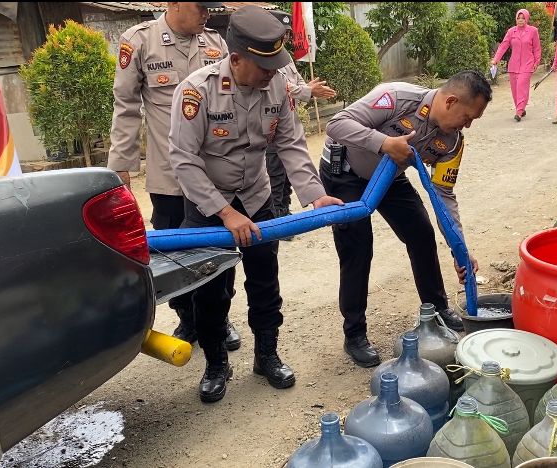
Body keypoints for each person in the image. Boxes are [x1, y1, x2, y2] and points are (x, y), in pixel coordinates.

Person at [168, 5, 343, 402]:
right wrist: (226, 214)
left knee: (265, 282)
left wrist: (315, 197)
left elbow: (290, 144)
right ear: (235, 58)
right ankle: (216, 363)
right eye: (264, 66)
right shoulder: (196, 91)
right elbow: (184, 160)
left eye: (275, 65)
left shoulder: (277, 85)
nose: (272, 73)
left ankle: (266, 355)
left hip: (257, 197)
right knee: (210, 290)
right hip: (210, 206)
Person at [321, 71, 491, 367]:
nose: (468, 125)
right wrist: (384, 143)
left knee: (421, 234)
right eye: (468, 117)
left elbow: (444, 195)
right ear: (451, 101)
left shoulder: (452, 141)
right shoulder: (397, 98)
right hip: (346, 173)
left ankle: (437, 311)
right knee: (357, 249)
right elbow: (337, 125)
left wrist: (459, 249)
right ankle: (355, 334)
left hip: (389, 178)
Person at [106, 2, 241, 350]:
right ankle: (187, 318)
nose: (207, 14)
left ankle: (220, 317)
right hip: (168, 176)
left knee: (219, 248)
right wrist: (121, 165)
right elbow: (126, 107)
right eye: (200, 6)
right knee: (173, 251)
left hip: (213, 176)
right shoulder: (140, 41)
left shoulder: (216, 42)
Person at [266, 10, 337, 235]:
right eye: (282, 33)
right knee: (275, 173)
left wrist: (306, 88)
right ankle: (277, 215)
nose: (286, 38)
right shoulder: (266, 55)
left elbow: (295, 83)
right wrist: (307, 90)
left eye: (288, 33)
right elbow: (283, 88)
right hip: (270, 125)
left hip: (288, 122)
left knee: (289, 170)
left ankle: (284, 210)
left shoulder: (284, 57)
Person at [491, 8, 541, 122]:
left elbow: (537, 48)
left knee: (521, 87)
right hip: (513, 65)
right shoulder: (511, 31)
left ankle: (518, 112)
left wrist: (537, 61)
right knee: (515, 90)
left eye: (523, 18)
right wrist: (496, 59)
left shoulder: (533, 31)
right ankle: (521, 108)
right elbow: (503, 46)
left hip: (527, 64)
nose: (520, 20)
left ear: (527, 19)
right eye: (518, 18)